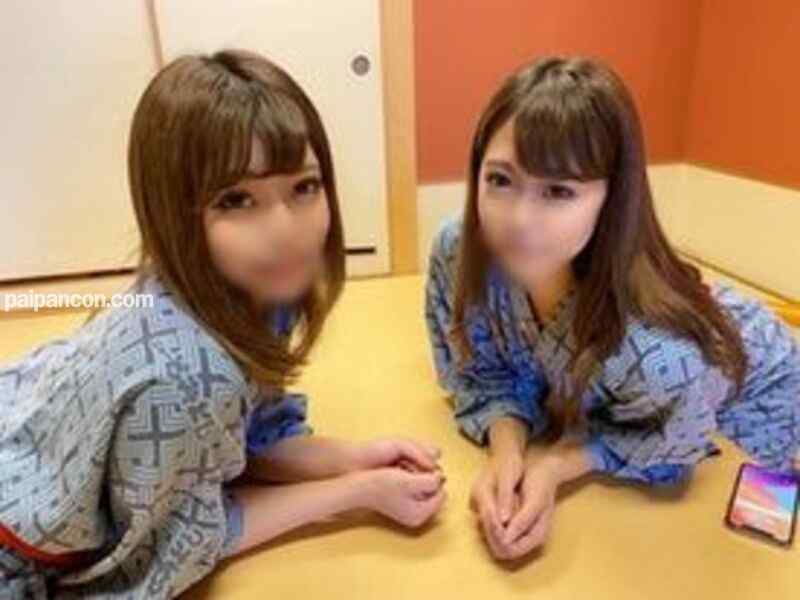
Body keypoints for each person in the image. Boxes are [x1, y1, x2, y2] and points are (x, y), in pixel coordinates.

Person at [0, 49, 445, 598]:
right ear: (174, 214)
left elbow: (243, 439)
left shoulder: (251, 284)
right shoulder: (183, 379)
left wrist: (355, 458)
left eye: (304, 187)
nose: (286, 230)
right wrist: (359, 493)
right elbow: (184, 540)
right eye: (237, 199)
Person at [424, 56, 800, 561]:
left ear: (611, 198)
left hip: (756, 387)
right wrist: (506, 453)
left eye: (558, 191)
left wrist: (555, 467)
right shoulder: (459, 251)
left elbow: (664, 435)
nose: (518, 220)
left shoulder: (661, 355)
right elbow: (486, 374)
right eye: (500, 180)